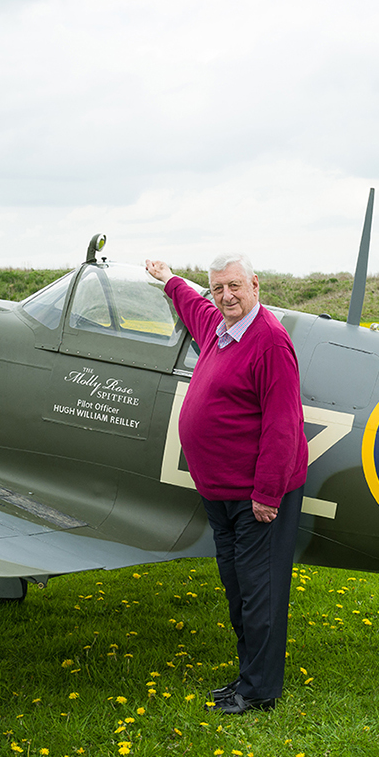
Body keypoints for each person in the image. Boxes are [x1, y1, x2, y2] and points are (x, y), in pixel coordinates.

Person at [145, 254, 308, 715]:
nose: (226, 297)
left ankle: (258, 692)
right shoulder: (220, 327)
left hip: (256, 497)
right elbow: (196, 308)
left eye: (235, 286)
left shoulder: (270, 342)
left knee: (260, 594)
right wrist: (170, 280)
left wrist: (267, 495)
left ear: (255, 284)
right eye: (218, 289)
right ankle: (246, 679)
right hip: (222, 493)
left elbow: (283, 424)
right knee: (238, 588)